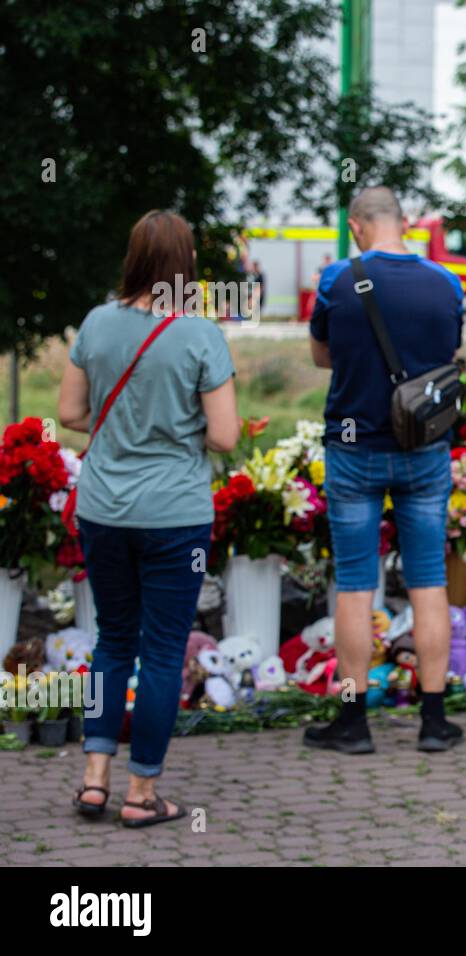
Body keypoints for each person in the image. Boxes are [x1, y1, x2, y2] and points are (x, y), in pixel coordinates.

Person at [57, 209, 240, 826]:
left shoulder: (96, 323)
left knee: (113, 640)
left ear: (133, 257)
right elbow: (224, 435)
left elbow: (70, 415)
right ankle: (141, 795)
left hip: (104, 510)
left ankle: (93, 778)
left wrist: (125, 428)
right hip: (174, 514)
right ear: (186, 264)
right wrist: (174, 429)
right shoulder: (199, 333)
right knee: (163, 652)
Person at [300, 186, 464, 754]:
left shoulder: (336, 280)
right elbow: (447, 351)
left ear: (356, 226)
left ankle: (353, 724)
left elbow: (322, 355)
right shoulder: (445, 282)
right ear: (403, 224)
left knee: (354, 584)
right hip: (424, 448)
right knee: (428, 580)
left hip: (354, 448)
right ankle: (434, 722)